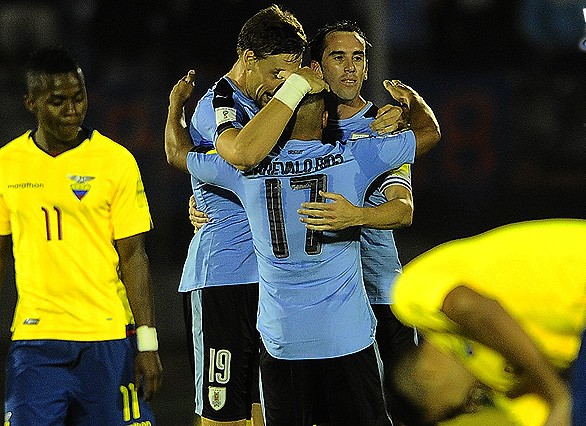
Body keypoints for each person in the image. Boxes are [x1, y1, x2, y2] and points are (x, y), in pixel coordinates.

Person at [166, 67, 439, 424]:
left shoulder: (244, 171)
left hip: (283, 341)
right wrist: (412, 101)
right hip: (346, 338)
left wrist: (176, 106)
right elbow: (429, 133)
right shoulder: (354, 156)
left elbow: (177, 152)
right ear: (325, 119)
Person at [164, 5, 326, 426]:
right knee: (223, 414)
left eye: (289, 76)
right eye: (276, 74)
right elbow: (242, 153)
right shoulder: (219, 102)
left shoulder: (273, 100)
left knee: (264, 411)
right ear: (248, 58)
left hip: (273, 280)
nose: (281, 86)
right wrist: (295, 88)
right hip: (225, 277)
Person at [0, 47, 161, 425]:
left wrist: (147, 343)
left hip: (108, 337)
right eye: (58, 101)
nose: (72, 110)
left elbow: (134, 257)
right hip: (36, 341)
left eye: (79, 97)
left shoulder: (115, 161)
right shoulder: (7, 164)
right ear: (31, 102)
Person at [387, 219, 586, 426]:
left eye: (453, 411)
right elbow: (555, 418)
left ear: (427, 374)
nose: (471, 410)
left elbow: (466, 304)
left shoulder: (407, 299)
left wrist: (557, 395)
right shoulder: (503, 385)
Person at [300, 21, 424, 424]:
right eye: (338, 57)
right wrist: (206, 204)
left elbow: (403, 208)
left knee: (405, 410)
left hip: (379, 295)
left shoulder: (384, 130)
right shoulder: (293, 129)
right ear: (316, 67)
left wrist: (356, 217)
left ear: (368, 67)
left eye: (358, 58)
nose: (350, 67)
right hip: (319, 300)